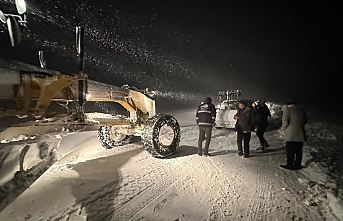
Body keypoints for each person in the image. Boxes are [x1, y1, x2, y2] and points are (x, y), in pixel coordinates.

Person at [280, 99, 308, 170]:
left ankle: (290, 164)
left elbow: (285, 122)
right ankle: (297, 164)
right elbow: (305, 120)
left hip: (291, 133)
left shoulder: (287, 110)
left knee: (290, 150)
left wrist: (283, 129)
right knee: (299, 150)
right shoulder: (302, 110)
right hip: (300, 133)